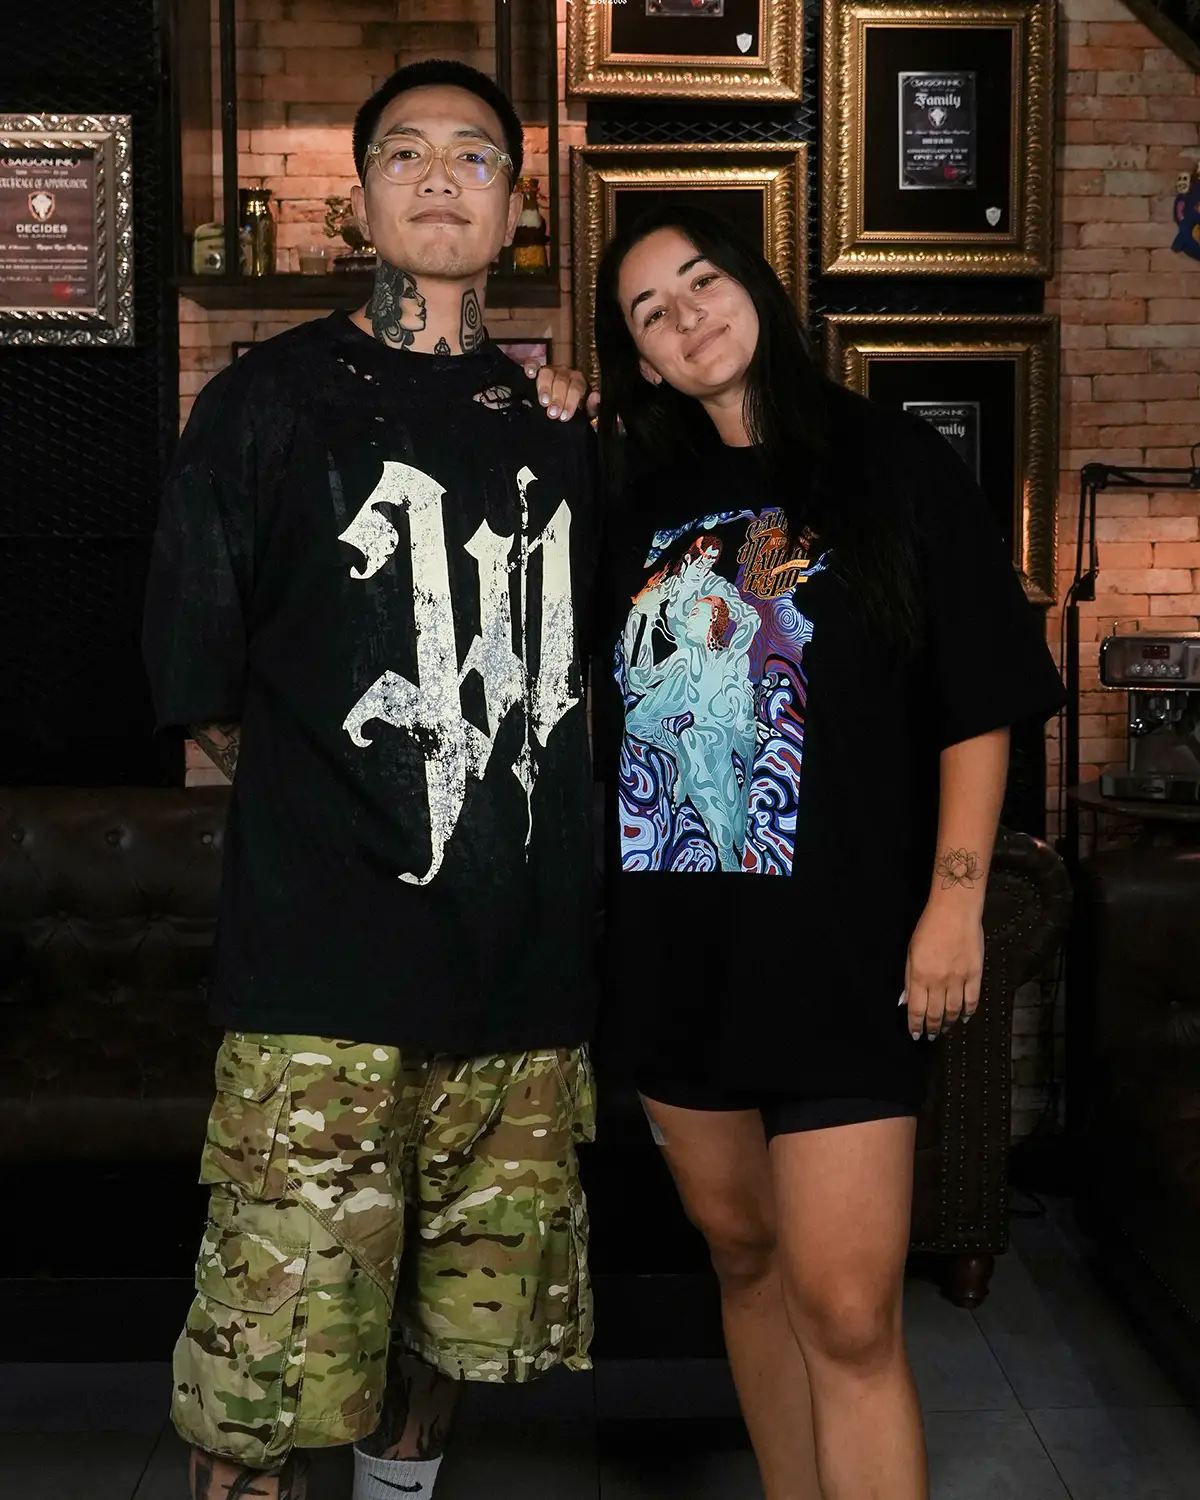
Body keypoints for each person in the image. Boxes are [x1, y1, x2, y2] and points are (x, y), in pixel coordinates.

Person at [144, 60, 598, 1500]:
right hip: (319, 990)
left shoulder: (562, 427)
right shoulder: (262, 402)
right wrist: (339, 812)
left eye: (476, 154)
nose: (441, 175)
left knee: (447, 1347)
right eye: (405, 152)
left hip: (521, 987)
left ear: (516, 207)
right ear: (359, 202)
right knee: (265, 1383)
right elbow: (199, 684)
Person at [591, 203, 1064, 1500]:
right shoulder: (631, 499)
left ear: (754, 286)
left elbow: (978, 700)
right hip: (675, 952)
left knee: (849, 1311)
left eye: (701, 280)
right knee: (744, 1262)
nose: (686, 314)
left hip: (844, 953)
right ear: (642, 361)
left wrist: (954, 905)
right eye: (649, 310)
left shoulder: (891, 463)